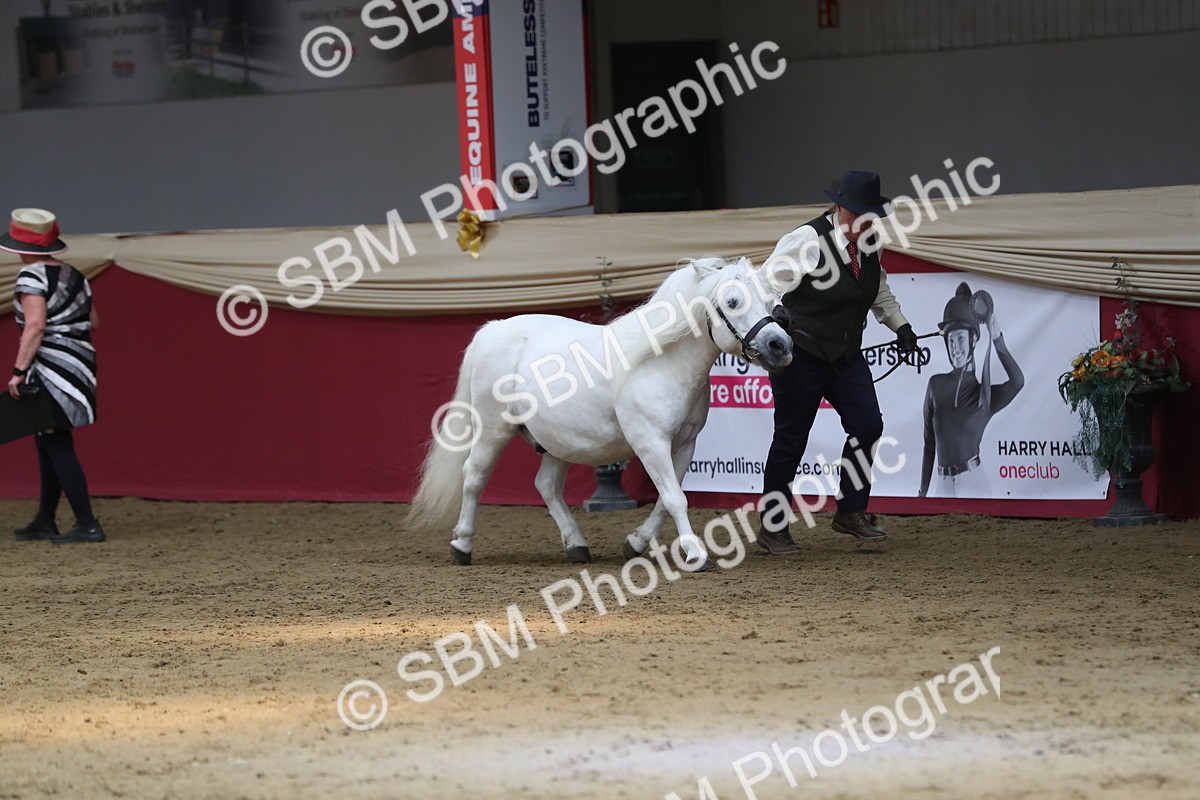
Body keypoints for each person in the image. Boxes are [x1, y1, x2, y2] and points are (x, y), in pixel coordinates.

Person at [757, 171, 918, 553]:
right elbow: (765, 283)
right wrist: (776, 312)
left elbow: (878, 290)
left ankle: (850, 511)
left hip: (846, 355)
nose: (864, 222)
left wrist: (902, 326)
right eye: (858, 213)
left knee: (869, 424)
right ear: (841, 207)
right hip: (801, 355)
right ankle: (772, 527)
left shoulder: (871, 244)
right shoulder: (807, 239)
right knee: (790, 441)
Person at [4, 208, 104, 544]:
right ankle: (45, 519)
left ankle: (87, 524)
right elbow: (93, 321)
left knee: (57, 443)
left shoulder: (31, 276)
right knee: (48, 439)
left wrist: (18, 372)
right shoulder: (76, 275)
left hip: (51, 368)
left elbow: (35, 326)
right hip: (80, 364)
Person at [918, 282, 1024, 498]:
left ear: (973, 339)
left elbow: (1017, 382)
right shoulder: (935, 385)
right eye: (950, 341)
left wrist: (997, 339)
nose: (954, 348)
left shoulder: (985, 396)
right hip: (942, 485)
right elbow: (929, 445)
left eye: (959, 339)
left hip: (974, 483)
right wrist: (922, 493)